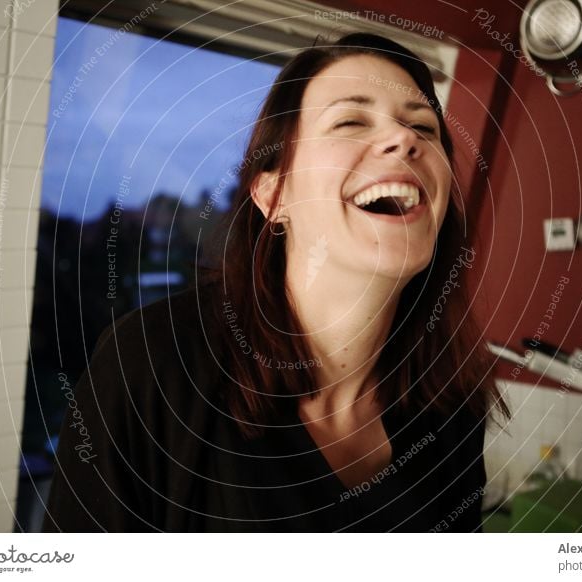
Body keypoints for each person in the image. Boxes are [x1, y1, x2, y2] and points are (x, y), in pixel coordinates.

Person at [41, 32, 509, 533]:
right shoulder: (152, 366)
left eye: (423, 125)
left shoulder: (454, 400)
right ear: (273, 194)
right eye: (351, 121)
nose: (405, 139)